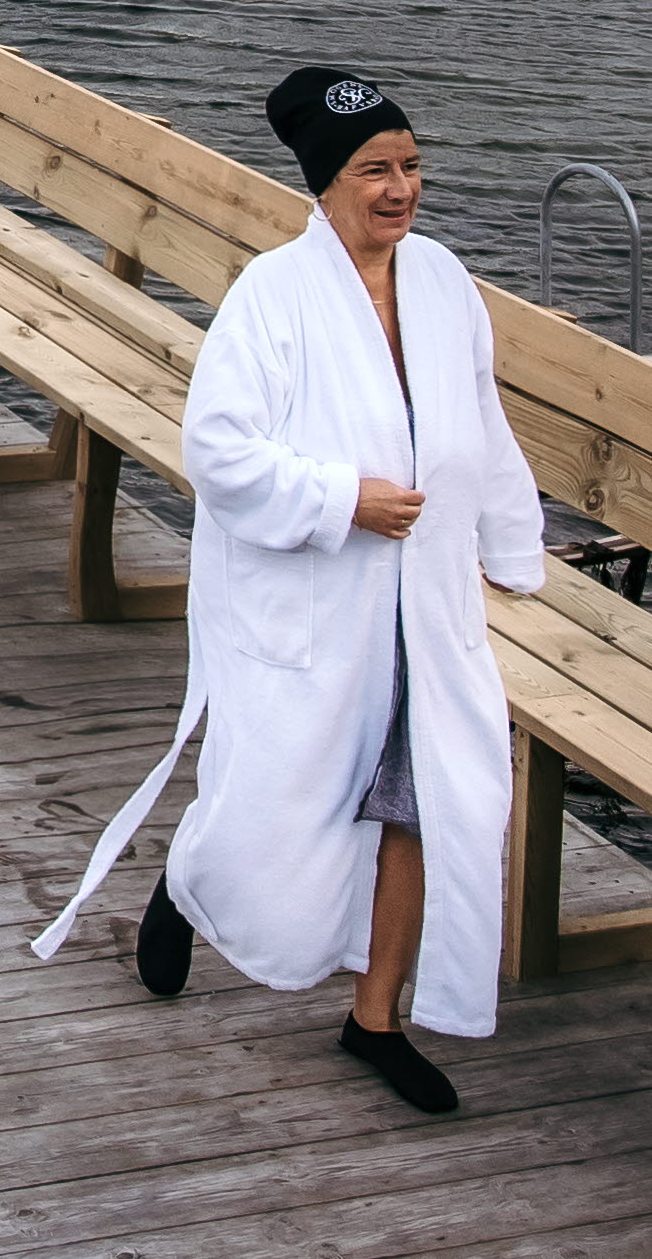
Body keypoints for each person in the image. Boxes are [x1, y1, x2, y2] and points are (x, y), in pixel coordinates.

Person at [33, 68, 546, 1116]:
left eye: (410, 166)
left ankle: (376, 1020)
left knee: (432, 801)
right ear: (326, 183)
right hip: (321, 604)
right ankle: (187, 882)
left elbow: (482, 424)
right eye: (375, 170)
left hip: (429, 607)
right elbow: (218, 454)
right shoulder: (274, 297)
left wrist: (512, 546)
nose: (400, 188)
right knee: (273, 807)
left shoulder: (445, 283)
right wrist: (338, 498)